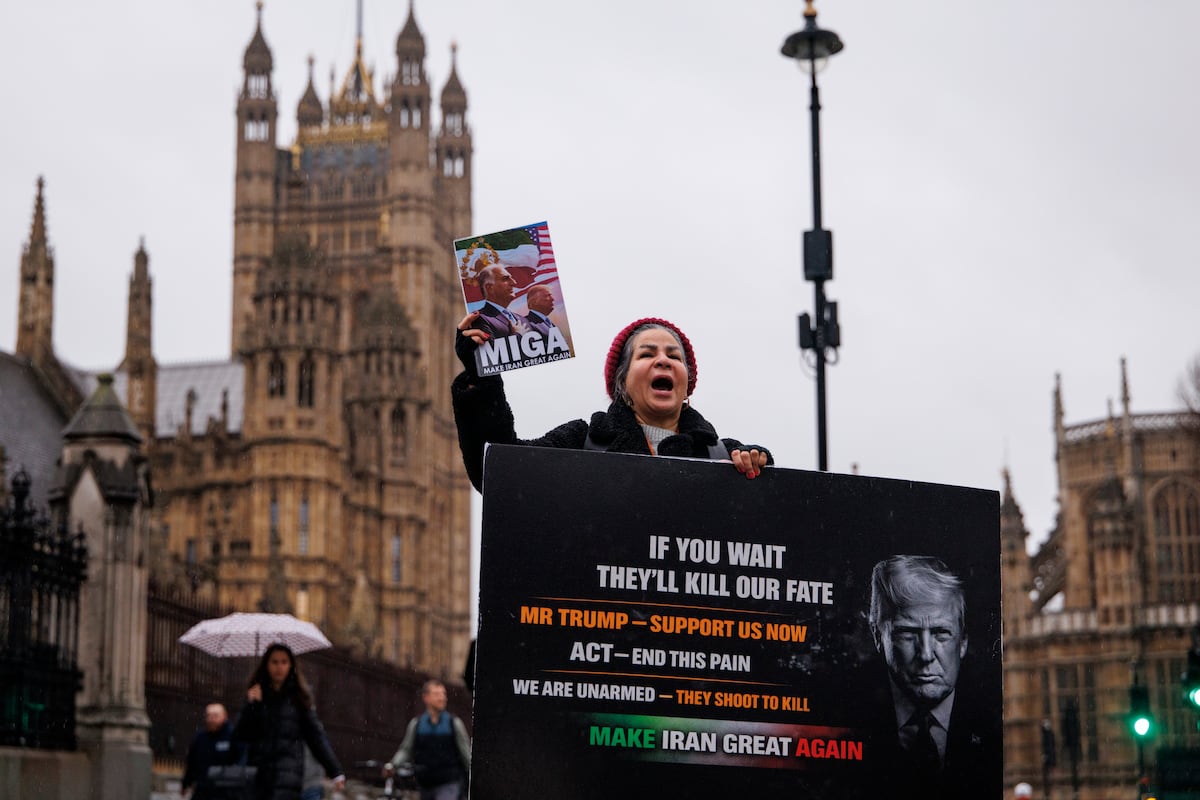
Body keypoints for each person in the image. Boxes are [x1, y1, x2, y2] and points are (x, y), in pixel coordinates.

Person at [452, 315, 771, 491]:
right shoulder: (583, 441)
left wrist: (758, 467)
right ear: (622, 383)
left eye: (674, 356)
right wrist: (482, 378)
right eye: (647, 354)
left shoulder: (723, 457)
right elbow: (497, 473)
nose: (663, 360)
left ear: (687, 383)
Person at [856, 554, 998, 797]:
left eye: (941, 633)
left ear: (963, 641)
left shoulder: (992, 720)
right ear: (878, 636)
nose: (926, 654)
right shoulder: (848, 713)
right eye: (907, 633)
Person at [232, 643, 346, 800]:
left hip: (288, 777)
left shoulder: (299, 700)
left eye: (284, 662)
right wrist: (252, 706)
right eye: (274, 662)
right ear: (266, 665)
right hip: (259, 775)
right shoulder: (256, 696)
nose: (279, 667)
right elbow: (241, 735)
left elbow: (316, 738)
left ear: (291, 665)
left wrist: (335, 771)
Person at [384, 679, 471, 800]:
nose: (442, 698)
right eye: (437, 694)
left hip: (449, 783)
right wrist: (394, 765)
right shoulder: (417, 725)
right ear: (426, 698)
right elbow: (406, 750)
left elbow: (466, 754)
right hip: (425, 785)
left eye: (443, 694)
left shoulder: (454, 724)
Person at [182, 703, 244, 799]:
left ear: (224, 716)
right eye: (209, 715)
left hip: (225, 792)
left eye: (215, 716)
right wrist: (186, 783)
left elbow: (241, 763)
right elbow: (192, 762)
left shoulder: (234, 736)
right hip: (202, 790)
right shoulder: (200, 738)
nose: (211, 719)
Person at [472, 264, 526, 338]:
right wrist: (517, 335)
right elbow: (490, 348)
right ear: (489, 288)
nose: (513, 283)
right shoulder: (478, 319)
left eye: (511, 278)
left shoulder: (523, 319)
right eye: (505, 279)